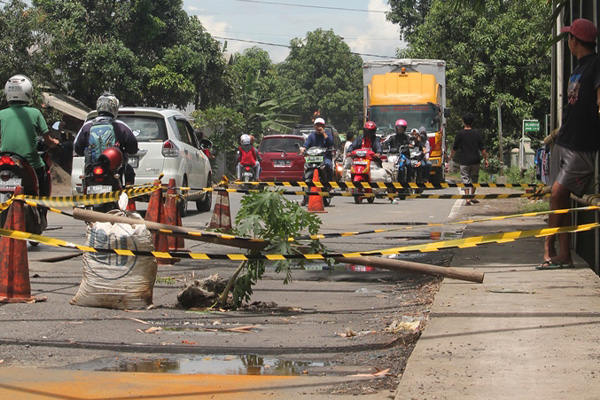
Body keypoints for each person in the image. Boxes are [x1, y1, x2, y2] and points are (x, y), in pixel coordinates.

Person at [539, 18, 600, 269]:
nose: (567, 42)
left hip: (581, 146)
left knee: (557, 193)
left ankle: (548, 246)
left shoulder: (595, 65)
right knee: (558, 199)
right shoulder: (578, 67)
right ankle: (564, 253)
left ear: (575, 41)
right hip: (565, 140)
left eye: (569, 38)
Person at [0, 74, 60, 198]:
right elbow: (48, 142)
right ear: (28, 92)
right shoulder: (35, 113)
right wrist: (55, 142)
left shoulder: (1, 114)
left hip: (4, 160)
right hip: (29, 163)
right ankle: (42, 208)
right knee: (43, 174)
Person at [74, 92, 138, 185]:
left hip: (92, 169)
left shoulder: (87, 126)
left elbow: (77, 148)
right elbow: (133, 148)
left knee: (86, 177)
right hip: (113, 170)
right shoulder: (120, 126)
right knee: (129, 171)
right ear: (114, 107)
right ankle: (129, 198)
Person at [449, 112, 489, 206]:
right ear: (472, 122)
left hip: (464, 161)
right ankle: (472, 196)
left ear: (463, 122)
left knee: (465, 179)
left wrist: (450, 156)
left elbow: (454, 148)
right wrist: (486, 159)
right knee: (474, 178)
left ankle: (467, 198)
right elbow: (482, 149)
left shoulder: (460, 134)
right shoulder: (477, 133)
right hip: (475, 160)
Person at [299, 118, 335, 205]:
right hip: (313, 158)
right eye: (317, 125)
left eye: (321, 125)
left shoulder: (328, 134)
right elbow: (306, 144)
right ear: (314, 126)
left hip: (324, 157)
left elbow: (330, 143)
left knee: (327, 165)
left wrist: (323, 133)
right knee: (305, 170)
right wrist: (303, 149)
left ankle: (330, 187)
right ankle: (304, 197)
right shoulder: (311, 136)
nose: (319, 127)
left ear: (324, 126)